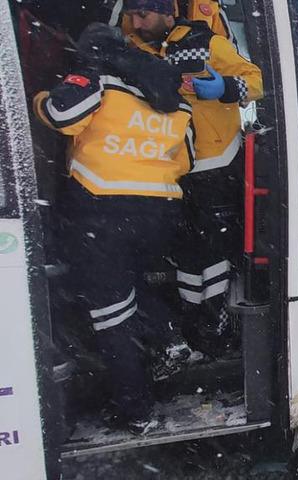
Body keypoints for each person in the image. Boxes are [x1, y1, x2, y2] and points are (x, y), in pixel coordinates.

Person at [33, 23, 193, 433]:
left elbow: (60, 114)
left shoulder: (96, 78)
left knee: (110, 316)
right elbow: (185, 159)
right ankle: (169, 334)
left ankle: (136, 410)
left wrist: (37, 99)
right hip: (159, 210)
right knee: (130, 286)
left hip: (102, 210)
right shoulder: (173, 96)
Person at [123, 0, 263, 347]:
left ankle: (218, 318)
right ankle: (194, 320)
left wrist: (226, 89)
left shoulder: (207, 42)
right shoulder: (132, 53)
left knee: (214, 246)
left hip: (214, 163)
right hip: (167, 167)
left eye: (143, 15)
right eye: (132, 17)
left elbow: (256, 80)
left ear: (167, 12)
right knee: (184, 249)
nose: (138, 24)